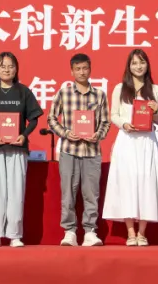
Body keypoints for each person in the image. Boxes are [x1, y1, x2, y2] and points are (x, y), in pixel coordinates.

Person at [0, 52, 43, 247]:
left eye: (11, 66)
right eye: (3, 66)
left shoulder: (23, 91)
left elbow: (34, 118)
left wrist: (24, 135)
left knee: (16, 191)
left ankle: (14, 235)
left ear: (16, 69)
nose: (6, 69)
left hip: (17, 148)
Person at [47, 53, 111, 247]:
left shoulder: (99, 94)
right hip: (69, 150)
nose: (82, 72)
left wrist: (98, 135)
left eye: (85, 68)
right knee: (68, 192)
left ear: (90, 69)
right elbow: (51, 118)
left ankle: (90, 231)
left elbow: (106, 122)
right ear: (72, 71)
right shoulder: (64, 93)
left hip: (92, 151)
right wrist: (65, 133)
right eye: (78, 69)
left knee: (91, 193)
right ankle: (69, 231)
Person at [103, 49, 158, 246]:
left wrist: (156, 111)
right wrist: (124, 124)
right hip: (127, 140)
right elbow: (113, 115)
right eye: (135, 63)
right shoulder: (120, 88)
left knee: (147, 183)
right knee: (127, 183)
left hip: (147, 142)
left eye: (142, 62)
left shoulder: (155, 89)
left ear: (147, 65)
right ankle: (130, 232)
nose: (139, 66)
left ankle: (142, 233)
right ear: (129, 66)